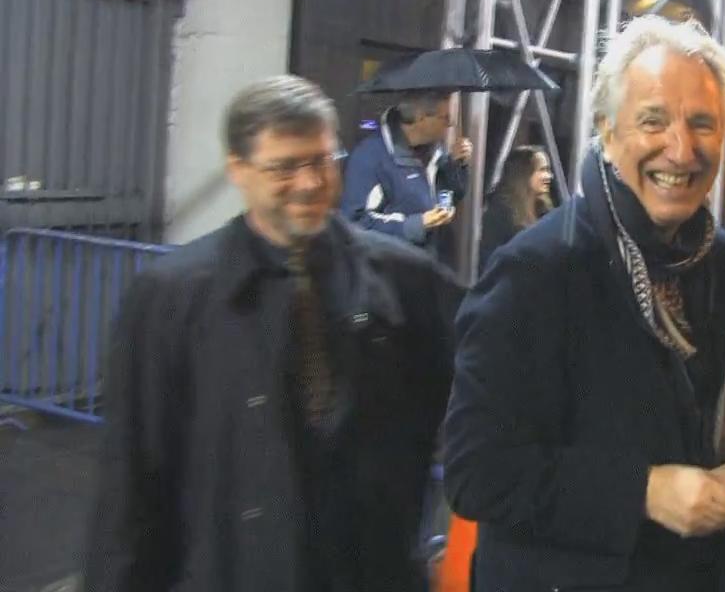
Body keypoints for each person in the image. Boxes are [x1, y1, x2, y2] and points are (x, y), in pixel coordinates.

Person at [86, 76, 460, 592]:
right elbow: (132, 480)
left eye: (322, 161)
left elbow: (467, 412)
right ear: (238, 169)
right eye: (284, 167)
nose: (309, 183)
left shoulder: (406, 281)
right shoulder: (172, 299)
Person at [443, 16, 725, 592]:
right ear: (607, 129)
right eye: (653, 121)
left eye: (702, 123)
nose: (681, 149)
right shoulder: (537, 272)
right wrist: (643, 491)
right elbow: (478, 472)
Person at [339, 89, 474, 254]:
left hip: (429, 259)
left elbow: (450, 194)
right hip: (391, 264)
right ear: (421, 117)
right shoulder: (370, 158)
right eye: (445, 118)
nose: (450, 124)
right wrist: (416, 225)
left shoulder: (434, 150)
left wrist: (457, 164)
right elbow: (354, 224)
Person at [478, 145, 555, 268]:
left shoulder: (545, 211)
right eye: (542, 170)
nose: (549, 176)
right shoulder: (499, 213)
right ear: (523, 173)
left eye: (548, 170)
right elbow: (490, 260)